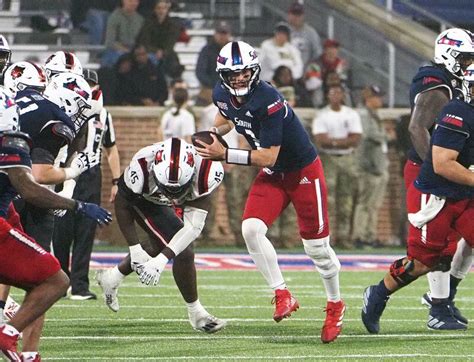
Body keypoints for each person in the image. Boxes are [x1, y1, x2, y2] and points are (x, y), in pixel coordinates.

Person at [195, 40, 345, 343]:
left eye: (243, 73)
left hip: (302, 171)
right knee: (250, 229)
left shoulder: (269, 99)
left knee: (317, 249)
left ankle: (335, 304)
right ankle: (282, 293)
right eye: (232, 74)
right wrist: (214, 134)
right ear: (222, 75)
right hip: (275, 174)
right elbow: (225, 118)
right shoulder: (221, 93)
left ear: (254, 71)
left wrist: (223, 154)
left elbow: (268, 157)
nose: (238, 79)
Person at [0, 86, 112, 361]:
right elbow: (29, 187)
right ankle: (9, 333)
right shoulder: (13, 137)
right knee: (56, 280)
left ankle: (26, 350)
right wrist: (77, 204)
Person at [361, 66, 474, 334]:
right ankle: (378, 293)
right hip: (437, 194)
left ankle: (443, 300)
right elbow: (442, 164)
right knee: (424, 261)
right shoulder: (458, 113)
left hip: (464, 192)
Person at [96, 137, 227, 333]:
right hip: (146, 201)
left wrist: (160, 261)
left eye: (178, 190)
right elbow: (122, 203)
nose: (173, 196)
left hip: (163, 198)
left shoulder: (207, 171)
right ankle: (197, 314)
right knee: (184, 252)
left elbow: (193, 227)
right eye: (167, 188)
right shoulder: (142, 164)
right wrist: (135, 248)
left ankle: (112, 277)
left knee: (165, 244)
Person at [403, 28, 474, 329]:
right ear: (449, 54)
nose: (469, 64)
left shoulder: (455, 81)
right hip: (434, 169)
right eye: (466, 58)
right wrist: (432, 170)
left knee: (469, 237)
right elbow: (417, 128)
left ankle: (447, 295)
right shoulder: (436, 85)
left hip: (454, 167)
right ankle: (437, 305)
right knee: (436, 246)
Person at [52, 69, 121, 300]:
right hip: (65, 170)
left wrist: (116, 180)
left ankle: (79, 285)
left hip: (91, 172)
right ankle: (59, 281)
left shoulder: (104, 115)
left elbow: (110, 148)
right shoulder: (65, 110)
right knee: (61, 228)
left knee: (86, 229)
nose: (90, 89)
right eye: (86, 84)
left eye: (93, 84)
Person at [312, 84, 362, 248]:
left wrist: (333, 141)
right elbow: (320, 139)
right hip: (328, 159)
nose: (335, 96)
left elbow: (355, 138)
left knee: (347, 199)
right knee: (328, 199)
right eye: (332, 93)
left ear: (343, 95)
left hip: (347, 158)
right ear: (328, 96)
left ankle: (344, 236)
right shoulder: (322, 115)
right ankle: (327, 236)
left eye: (338, 93)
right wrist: (341, 141)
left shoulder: (351, 114)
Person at [352, 85, 389, 248]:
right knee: (365, 203)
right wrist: (386, 136)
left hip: (378, 164)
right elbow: (366, 135)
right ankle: (359, 235)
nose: (380, 100)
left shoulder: (373, 114)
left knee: (373, 204)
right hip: (368, 165)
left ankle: (370, 235)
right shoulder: (363, 114)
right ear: (369, 98)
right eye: (377, 97)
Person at [136, 0, 184, 79]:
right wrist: (156, 51)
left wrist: (162, 52)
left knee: (171, 61)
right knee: (150, 59)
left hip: (166, 52)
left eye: (164, 8)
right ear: (155, 9)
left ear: (167, 10)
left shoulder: (173, 25)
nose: (161, 11)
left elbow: (171, 43)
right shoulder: (147, 23)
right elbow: (145, 41)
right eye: (159, 8)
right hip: (150, 51)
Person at [195, 20, 232, 106]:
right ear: (215, 34)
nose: (222, 36)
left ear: (229, 34)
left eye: (224, 33)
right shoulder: (206, 50)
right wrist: (214, 86)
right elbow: (200, 72)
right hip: (209, 90)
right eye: (219, 33)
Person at [102, 0, 144, 68]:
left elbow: (143, 40)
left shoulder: (140, 19)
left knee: (151, 58)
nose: (134, 3)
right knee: (122, 59)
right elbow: (110, 42)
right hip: (117, 51)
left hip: (134, 51)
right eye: (130, 1)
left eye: (136, 1)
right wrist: (127, 51)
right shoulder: (114, 17)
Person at [286, 2, 322, 69]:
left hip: (304, 72)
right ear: (289, 15)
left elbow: (317, 54)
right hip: (285, 71)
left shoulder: (311, 32)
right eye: (293, 14)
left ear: (303, 16)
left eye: (298, 14)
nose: (296, 17)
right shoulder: (283, 30)